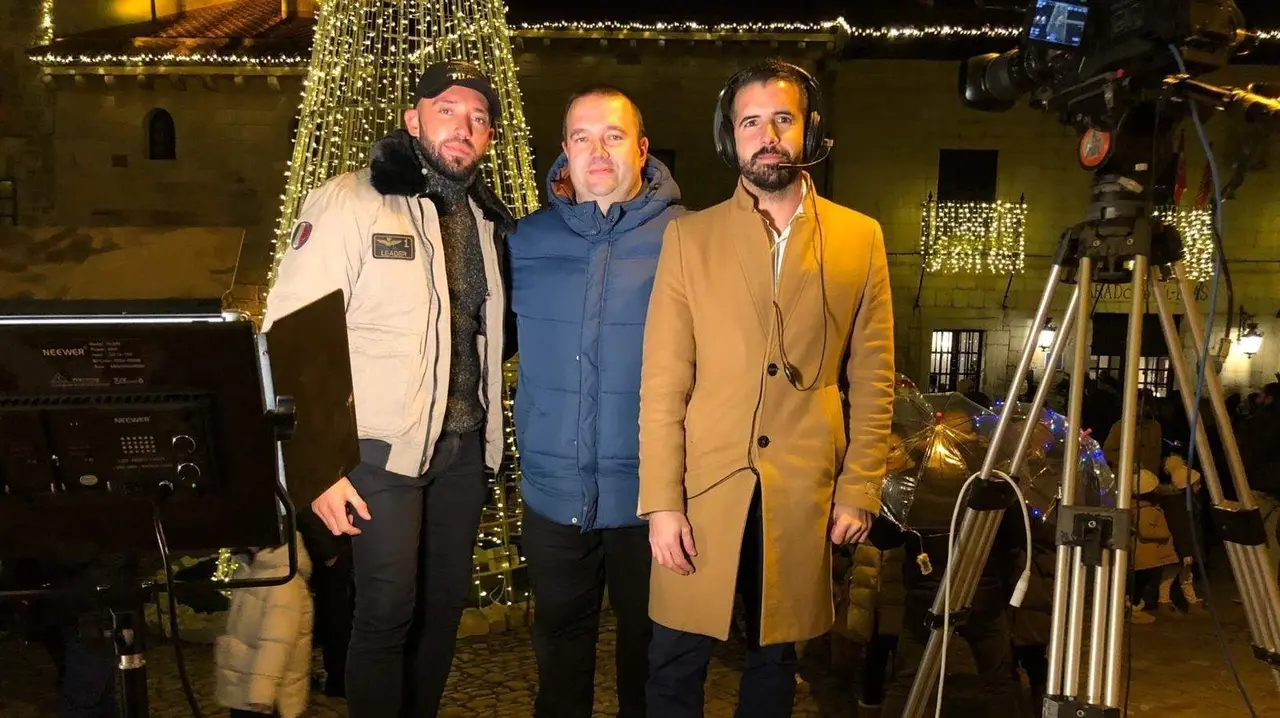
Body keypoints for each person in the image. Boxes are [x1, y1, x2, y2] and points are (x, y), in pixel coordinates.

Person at [637, 59, 895, 717]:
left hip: (802, 493)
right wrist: (663, 503)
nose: (767, 134)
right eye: (750, 121)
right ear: (731, 137)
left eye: (783, 118)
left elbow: (872, 376)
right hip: (703, 490)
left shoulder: (860, 239)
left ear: (810, 130)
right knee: (672, 663)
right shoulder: (688, 239)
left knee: (775, 665)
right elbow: (664, 384)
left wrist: (860, 486)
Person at [262, 60, 515, 718]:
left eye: (479, 118)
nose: (465, 126)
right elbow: (289, 336)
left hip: (460, 450)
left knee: (441, 611)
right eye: (448, 111)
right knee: (385, 614)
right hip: (380, 451)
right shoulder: (350, 199)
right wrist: (315, 466)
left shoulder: (487, 223)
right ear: (414, 120)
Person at [509, 86, 684, 717]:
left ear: (641, 149)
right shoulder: (523, 242)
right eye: (581, 137)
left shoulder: (690, 239)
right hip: (554, 498)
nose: (597, 150)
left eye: (612, 135)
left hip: (653, 502)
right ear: (564, 151)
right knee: (558, 657)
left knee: (651, 658)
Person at [214, 536, 314, 718]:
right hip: (245, 687)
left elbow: (276, 642)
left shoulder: (282, 579)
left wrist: (261, 693)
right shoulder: (252, 569)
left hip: (264, 698)